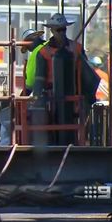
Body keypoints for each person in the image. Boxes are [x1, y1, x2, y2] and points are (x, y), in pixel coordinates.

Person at [33, 13, 84, 145]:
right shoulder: (43, 52)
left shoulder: (76, 48)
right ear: (52, 31)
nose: (62, 33)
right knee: (53, 122)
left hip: (72, 93)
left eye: (64, 29)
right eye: (58, 30)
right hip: (52, 95)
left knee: (72, 122)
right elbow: (39, 78)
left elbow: (85, 73)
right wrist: (37, 99)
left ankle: (74, 144)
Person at [20, 29, 46, 96]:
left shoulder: (36, 52)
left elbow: (30, 84)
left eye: (27, 46)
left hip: (45, 92)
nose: (28, 50)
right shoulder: (49, 45)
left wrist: (19, 102)